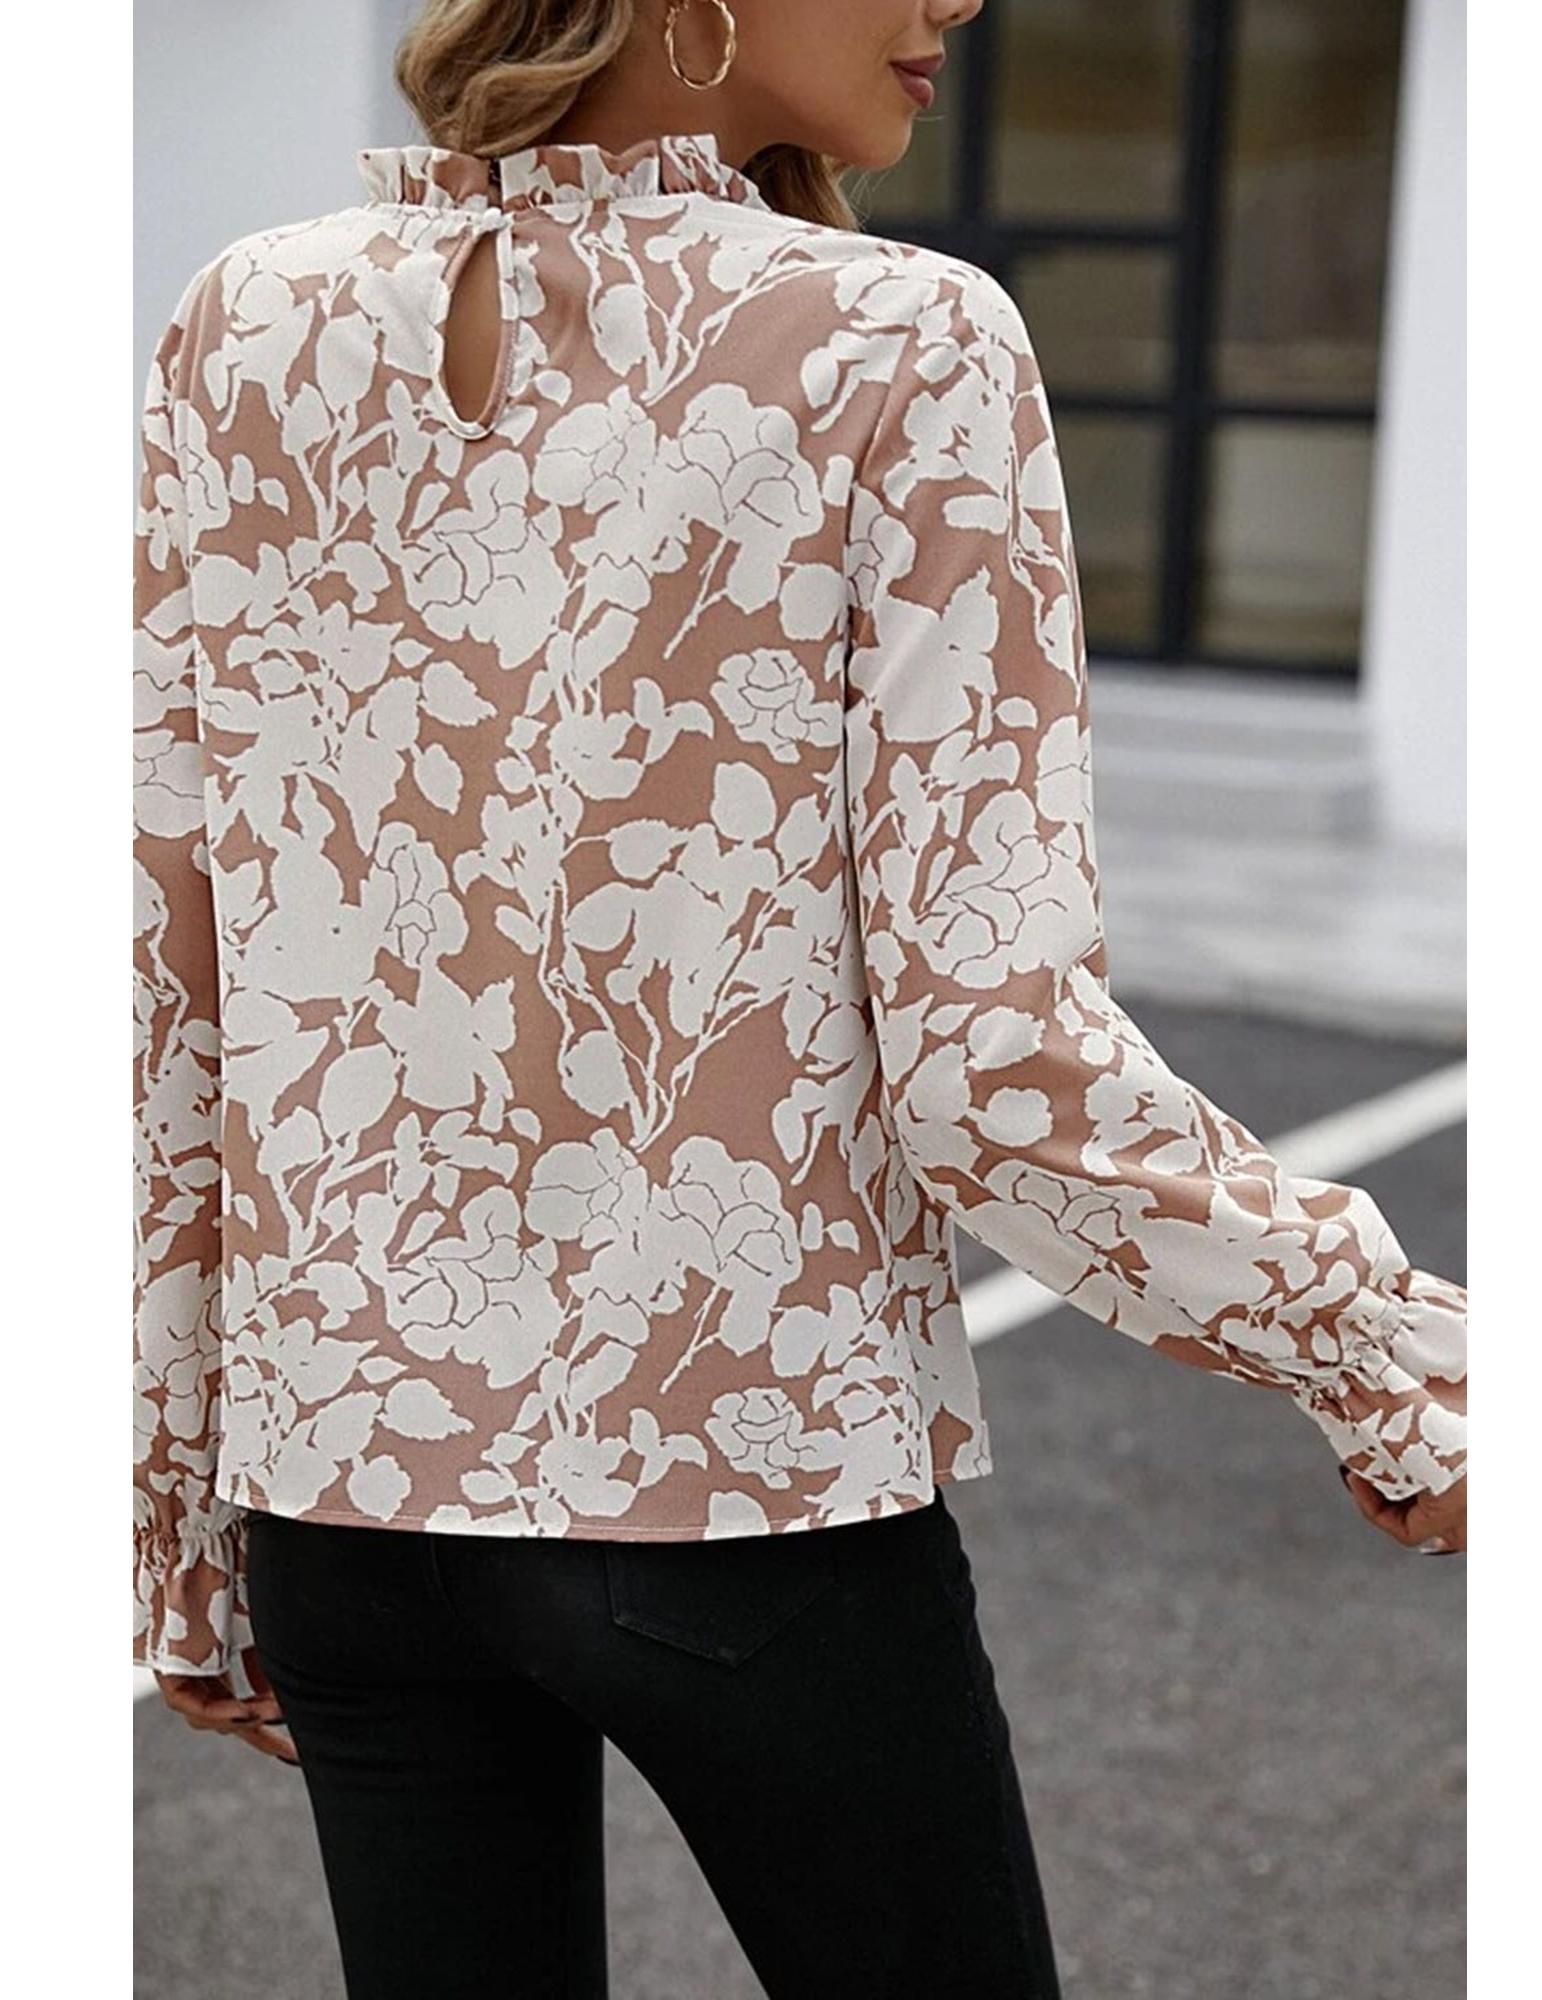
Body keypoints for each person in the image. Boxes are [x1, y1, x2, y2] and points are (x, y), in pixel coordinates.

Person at [132, 2, 1467, 1994]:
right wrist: (1392, 1354)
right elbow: (995, 1068)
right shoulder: (906, 343)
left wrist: (178, 1507)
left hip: (347, 1507)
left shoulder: (244, 320)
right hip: (747, 1493)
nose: (955, 1)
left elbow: (175, 981)